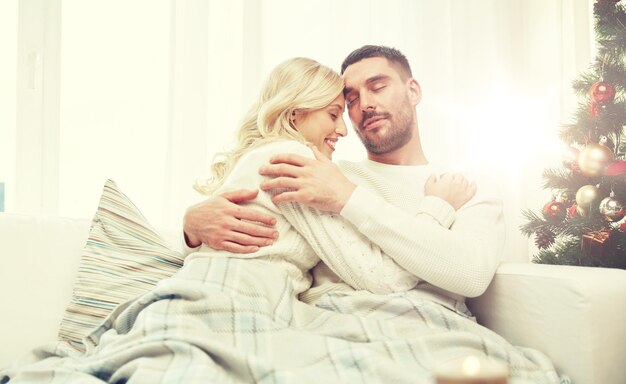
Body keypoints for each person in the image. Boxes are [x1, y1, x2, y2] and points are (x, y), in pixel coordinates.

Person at [183, 45, 504, 312]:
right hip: (322, 319)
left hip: (424, 319)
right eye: (349, 100)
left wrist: (348, 197)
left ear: (413, 90)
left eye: (378, 87)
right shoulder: (319, 172)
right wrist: (191, 226)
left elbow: (471, 276)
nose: (365, 104)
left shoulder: (465, 187)